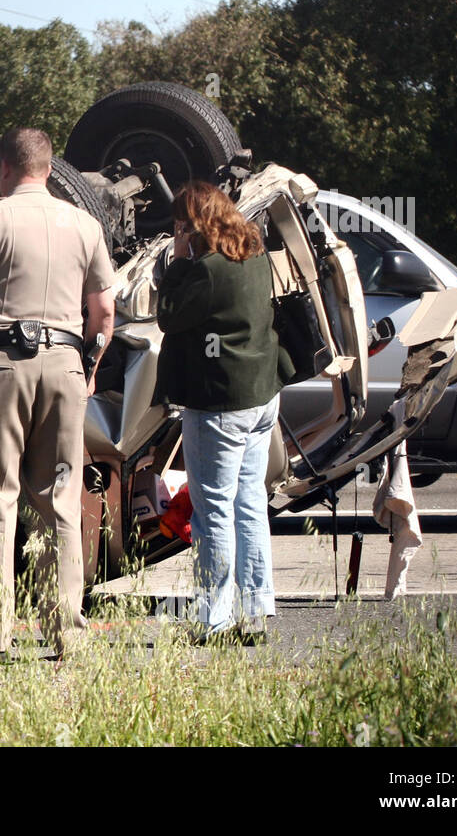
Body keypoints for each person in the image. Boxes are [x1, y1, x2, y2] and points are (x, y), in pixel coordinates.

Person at [0, 127, 117, 660]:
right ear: (51, 171)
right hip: (66, 366)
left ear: (3, 169)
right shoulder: (84, 224)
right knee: (59, 500)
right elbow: (104, 311)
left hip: (1, 368)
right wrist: (91, 364)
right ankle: (65, 633)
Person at [152, 179, 286, 643]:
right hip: (263, 396)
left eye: (179, 224)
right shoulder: (254, 257)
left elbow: (167, 314)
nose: (176, 230)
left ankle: (213, 619)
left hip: (221, 404)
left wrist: (175, 260)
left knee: (213, 511)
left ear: (195, 225)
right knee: (249, 504)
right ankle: (256, 610)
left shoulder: (205, 269)